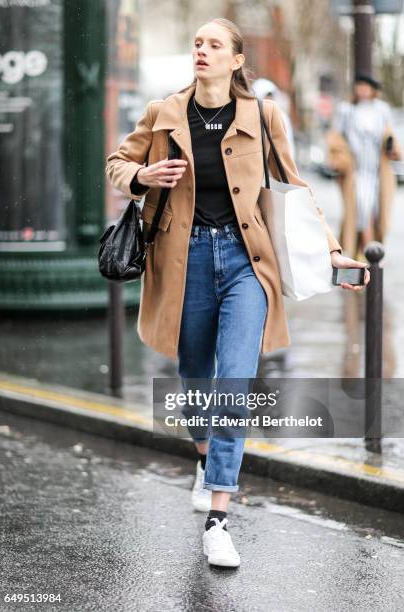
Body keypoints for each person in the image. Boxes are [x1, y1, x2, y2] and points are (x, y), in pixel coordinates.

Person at [105, 17, 370, 568]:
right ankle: (204, 457)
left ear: (236, 60)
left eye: (214, 44)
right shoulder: (164, 113)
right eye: (198, 43)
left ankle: (219, 515)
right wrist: (143, 177)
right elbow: (118, 164)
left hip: (248, 262)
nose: (202, 51)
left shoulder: (263, 116)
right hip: (185, 261)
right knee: (195, 374)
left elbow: (294, 189)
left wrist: (330, 249)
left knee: (233, 382)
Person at [326, 73, 402, 260]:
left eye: (366, 87)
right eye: (359, 86)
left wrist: (391, 146)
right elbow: (335, 138)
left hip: (377, 171)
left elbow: (390, 137)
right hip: (356, 171)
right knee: (361, 211)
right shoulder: (347, 110)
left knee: (378, 213)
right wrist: (340, 160)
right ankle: (367, 252)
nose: (362, 90)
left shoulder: (382, 110)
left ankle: (369, 250)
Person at [252, 77, 296, 159]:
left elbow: (288, 144)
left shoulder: (282, 117)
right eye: (266, 97)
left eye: (271, 97)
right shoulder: (250, 117)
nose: (269, 100)